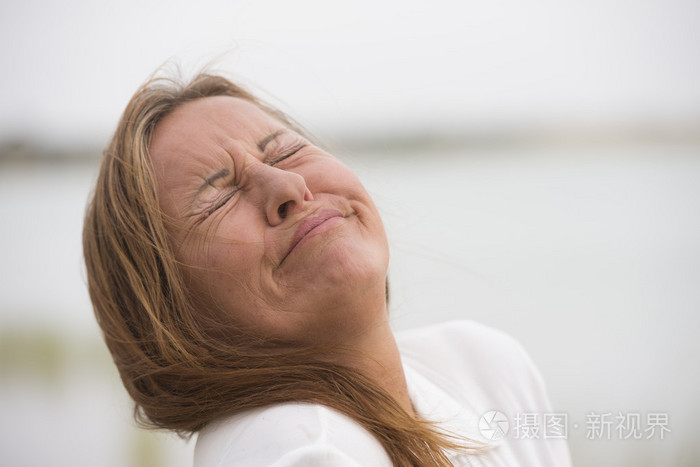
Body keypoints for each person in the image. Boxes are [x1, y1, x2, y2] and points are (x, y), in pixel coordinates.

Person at [83, 70, 572, 466]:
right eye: (217, 195)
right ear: (168, 316)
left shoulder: (485, 365)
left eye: (285, 150)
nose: (289, 186)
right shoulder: (293, 450)